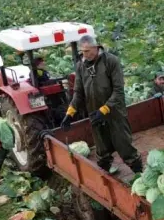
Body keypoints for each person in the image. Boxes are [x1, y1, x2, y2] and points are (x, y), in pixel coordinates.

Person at [61, 35, 143, 173]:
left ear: (95, 47)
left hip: (114, 112)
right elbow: (78, 92)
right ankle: (105, 175)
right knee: (102, 149)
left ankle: (138, 172)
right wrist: (70, 112)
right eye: (82, 51)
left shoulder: (111, 61)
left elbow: (118, 91)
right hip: (95, 114)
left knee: (123, 144)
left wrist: (104, 109)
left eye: (87, 51)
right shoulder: (81, 66)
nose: (84, 54)